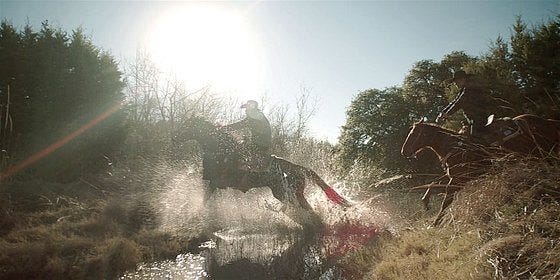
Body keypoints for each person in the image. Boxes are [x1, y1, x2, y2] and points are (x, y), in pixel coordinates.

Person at [436, 70, 494, 139]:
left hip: (480, 117)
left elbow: (460, 102)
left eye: (456, 81)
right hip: (473, 118)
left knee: (475, 139)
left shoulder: (470, 89)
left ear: (463, 79)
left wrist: (447, 114)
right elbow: (455, 101)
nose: (455, 84)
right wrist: (443, 112)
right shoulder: (464, 89)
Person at [222, 100, 272, 172]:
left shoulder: (255, 116)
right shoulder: (258, 116)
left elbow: (240, 125)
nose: (245, 111)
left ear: (251, 108)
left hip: (259, 145)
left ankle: (235, 171)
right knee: (240, 147)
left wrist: (224, 128)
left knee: (235, 150)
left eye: (247, 108)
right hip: (261, 144)